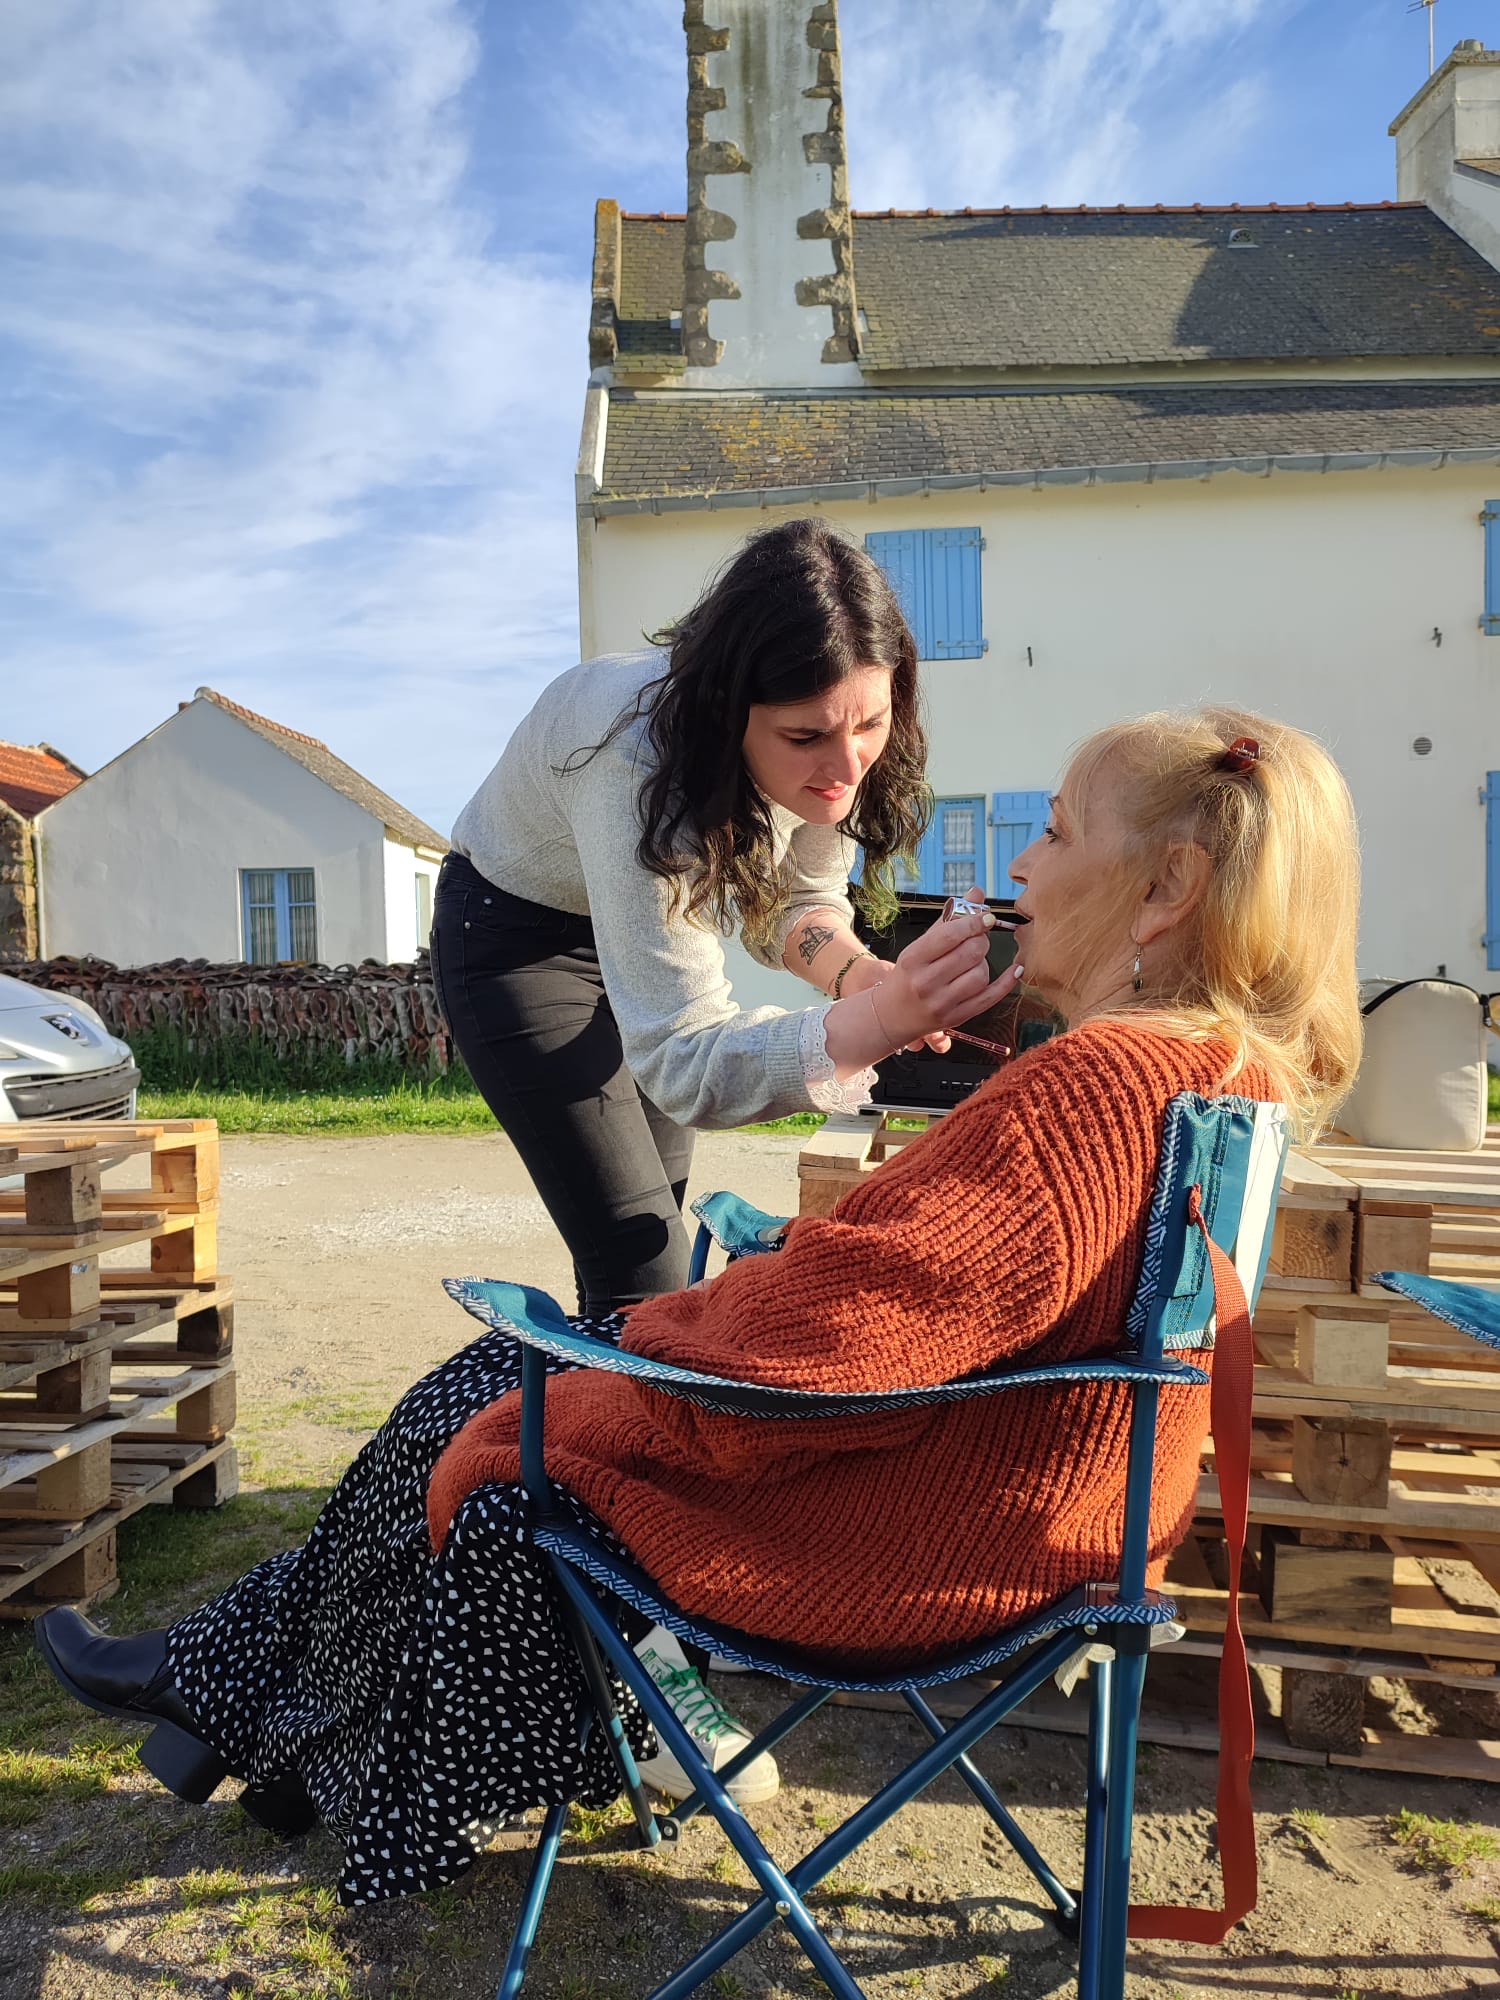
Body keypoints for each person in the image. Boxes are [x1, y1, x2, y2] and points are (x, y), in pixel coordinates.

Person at [36, 704, 1361, 1913]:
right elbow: (916, 1298)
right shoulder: (1214, 1074)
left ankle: (246, 1715)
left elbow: (835, 1344)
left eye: (1057, 833)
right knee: (492, 1396)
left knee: (488, 1422)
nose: (1021, 863)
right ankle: (247, 1721)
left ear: (1167, 889)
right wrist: (729, 1294)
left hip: (914, 1530)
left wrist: (653, 1339)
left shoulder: (1098, 1087)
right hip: (1030, 1507)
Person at [430, 516, 1010, 1317]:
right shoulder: (634, 760)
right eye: (804, 736)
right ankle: (606, 1396)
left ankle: (616, 1381)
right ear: (726, 709)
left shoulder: (831, 741)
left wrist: (863, 977)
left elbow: (797, 904)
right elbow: (682, 1058)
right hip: (519, 940)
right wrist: (880, 1019)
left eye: (871, 725)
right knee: (641, 1262)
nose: (846, 768)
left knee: (656, 1218)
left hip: (623, 928)